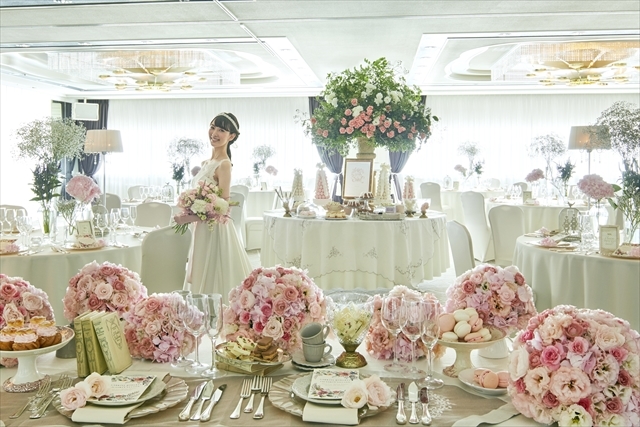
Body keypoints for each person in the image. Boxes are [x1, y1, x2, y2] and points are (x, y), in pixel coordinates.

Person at [184, 112, 252, 301]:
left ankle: (215, 307)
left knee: (216, 270)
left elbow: (223, 205)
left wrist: (197, 211)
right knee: (200, 264)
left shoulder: (224, 165)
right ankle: (199, 306)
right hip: (201, 226)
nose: (214, 133)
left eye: (221, 130)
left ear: (231, 136)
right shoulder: (206, 163)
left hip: (215, 228)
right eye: (212, 127)